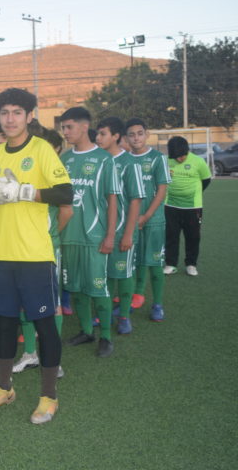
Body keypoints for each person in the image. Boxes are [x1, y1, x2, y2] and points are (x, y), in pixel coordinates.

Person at [0, 88, 72, 424]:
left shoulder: (40, 150)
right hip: (0, 253)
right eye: (4, 112)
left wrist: (25, 191)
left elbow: (66, 192)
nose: (9, 119)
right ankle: (4, 388)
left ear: (29, 116)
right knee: (5, 323)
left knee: (44, 326)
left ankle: (49, 397)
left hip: (35, 255)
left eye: (16, 112)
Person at [60, 107, 120, 358]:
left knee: (98, 288)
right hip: (68, 236)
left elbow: (113, 199)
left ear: (84, 127)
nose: (65, 133)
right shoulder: (64, 159)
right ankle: (86, 331)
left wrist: (110, 235)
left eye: (69, 127)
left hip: (94, 236)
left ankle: (105, 336)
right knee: (75, 288)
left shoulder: (105, 159)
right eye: (63, 128)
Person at [13, 129, 71, 375]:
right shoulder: (23, 171)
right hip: (20, 248)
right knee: (25, 303)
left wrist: (49, 236)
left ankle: (53, 359)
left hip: (45, 249)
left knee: (52, 304)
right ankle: (30, 353)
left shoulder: (54, 176)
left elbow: (67, 211)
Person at [95, 117, 145, 335]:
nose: (98, 138)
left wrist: (128, 233)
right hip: (99, 230)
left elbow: (136, 200)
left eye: (103, 134)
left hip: (123, 230)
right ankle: (104, 313)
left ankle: (124, 315)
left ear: (116, 136)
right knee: (102, 275)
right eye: (97, 134)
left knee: (123, 273)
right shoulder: (99, 160)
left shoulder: (130, 163)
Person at [125, 118, 170, 321]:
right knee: (134, 262)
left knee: (154, 263)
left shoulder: (158, 158)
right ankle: (136, 297)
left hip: (152, 221)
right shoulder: (125, 159)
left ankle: (158, 304)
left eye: (140, 133)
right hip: (131, 222)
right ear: (126, 137)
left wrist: (146, 216)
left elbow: (161, 191)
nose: (136, 138)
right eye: (132, 134)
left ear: (147, 134)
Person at [164, 136, 211, 277]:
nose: (179, 159)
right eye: (176, 157)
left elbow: (206, 180)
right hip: (170, 205)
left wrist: (195, 193)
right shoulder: (166, 161)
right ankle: (170, 264)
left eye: (182, 156)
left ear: (187, 151)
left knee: (193, 236)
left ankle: (191, 264)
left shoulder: (198, 161)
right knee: (171, 236)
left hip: (193, 207)